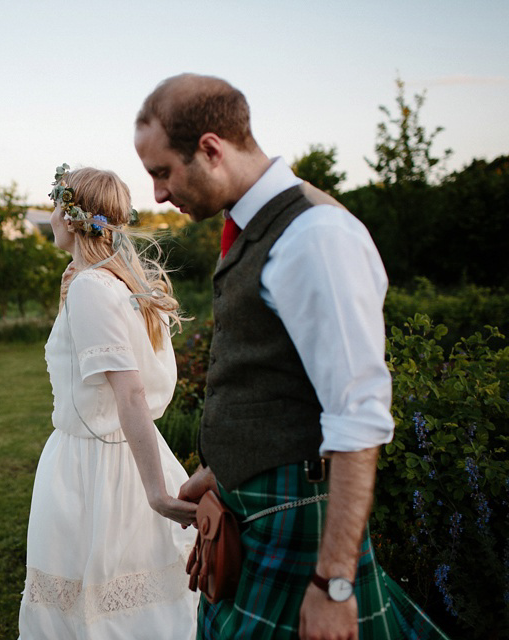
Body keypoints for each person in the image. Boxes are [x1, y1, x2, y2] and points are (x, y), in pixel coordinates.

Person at [134, 74, 449, 640]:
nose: (157, 194)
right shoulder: (256, 226)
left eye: (162, 172)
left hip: (298, 520)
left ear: (210, 149)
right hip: (252, 513)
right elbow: (276, 380)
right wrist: (222, 469)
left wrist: (334, 585)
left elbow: (359, 419)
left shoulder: (315, 235)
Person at [18, 164, 199, 639]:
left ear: (72, 216)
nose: (52, 215)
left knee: (109, 617)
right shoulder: (101, 282)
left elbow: (131, 393)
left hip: (99, 468)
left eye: (57, 204)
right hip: (96, 455)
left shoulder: (93, 288)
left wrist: (157, 492)